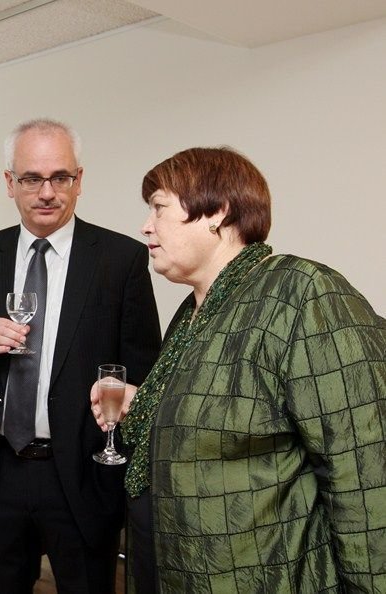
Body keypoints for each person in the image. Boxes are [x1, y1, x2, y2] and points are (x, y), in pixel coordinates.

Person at [91, 146, 386, 592]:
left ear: (217, 212)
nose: (146, 225)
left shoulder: (302, 292)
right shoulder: (192, 312)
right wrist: (147, 403)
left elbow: (364, 467)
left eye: (159, 208)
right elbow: (220, 414)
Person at [0, 118, 162, 593]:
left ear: (79, 180)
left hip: (81, 476)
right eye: (31, 179)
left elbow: (145, 369)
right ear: (9, 183)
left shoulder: (120, 259)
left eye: (60, 177)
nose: (46, 193)